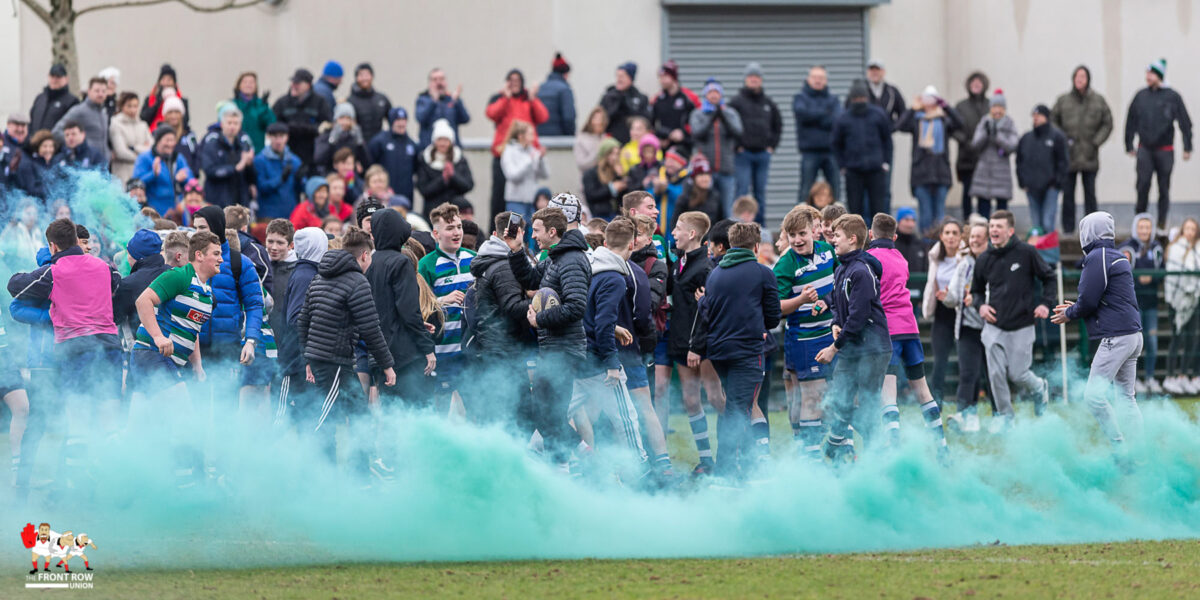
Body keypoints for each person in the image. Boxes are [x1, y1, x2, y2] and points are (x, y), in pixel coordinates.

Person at [8, 219, 122, 491]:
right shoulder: (105, 267)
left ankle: (76, 488)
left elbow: (15, 286)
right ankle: (121, 475)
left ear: (53, 245)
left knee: (79, 418)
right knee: (109, 420)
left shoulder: (54, 272)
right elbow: (117, 286)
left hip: (76, 347)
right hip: (110, 346)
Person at [297, 227, 395, 474]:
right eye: (370, 257)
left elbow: (303, 321)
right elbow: (371, 328)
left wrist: (307, 355)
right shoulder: (357, 281)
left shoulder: (319, 277)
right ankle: (319, 477)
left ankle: (360, 475)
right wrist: (387, 365)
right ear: (364, 256)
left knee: (360, 414)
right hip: (333, 363)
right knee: (324, 421)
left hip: (332, 362)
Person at [504, 206, 591, 472]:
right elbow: (531, 279)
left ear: (553, 232)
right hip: (553, 348)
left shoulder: (572, 259)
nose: (534, 238)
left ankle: (574, 459)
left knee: (545, 411)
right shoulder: (555, 257)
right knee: (544, 411)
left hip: (564, 350)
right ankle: (571, 459)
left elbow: (577, 307)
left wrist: (539, 320)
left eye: (538, 231)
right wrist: (517, 250)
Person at [1051, 212, 1143, 457]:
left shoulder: (1097, 256)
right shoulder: (1113, 255)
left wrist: (1070, 313)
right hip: (1133, 335)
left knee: (1093, 396)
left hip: (1118, 337)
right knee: (1126, 398)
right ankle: (1141, 451)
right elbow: (1104, 299)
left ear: (1088, 232)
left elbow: (1090, 301)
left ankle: (1119, 448)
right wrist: (1077, 306)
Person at [573, 218, 652, 478]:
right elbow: (604, 322)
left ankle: (534, 453)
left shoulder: (589, 267)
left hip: (578, 358)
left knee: (555, 415)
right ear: (633, 244)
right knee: (626, 420)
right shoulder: (615, 278)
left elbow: (585, 314)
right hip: (598, 363)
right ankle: (641, 475)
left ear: (605, 242)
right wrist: (612, 364)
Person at [702, 222, 781, 477]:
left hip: (718, 353)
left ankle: (743, 466)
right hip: (747, 352)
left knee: (734, 407)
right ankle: (726, 472)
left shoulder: (715, 274)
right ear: (756, 246)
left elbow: (706, 312)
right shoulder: (763, 273)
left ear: (730, 244)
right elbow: (773, 319)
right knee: (738, 411)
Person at [867, 214, 949, 459]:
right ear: (894, 237)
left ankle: (894, 450)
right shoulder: (901, 258)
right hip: (910, 329)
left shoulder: (869, 259)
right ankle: (942, 447)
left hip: (887, 332)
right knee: (923, 391)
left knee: (888, 394)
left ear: (871, 235)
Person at [812, 214, 891, 462]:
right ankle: (841, 444)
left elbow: (858, 316)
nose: (832, 240)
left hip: (873, 348)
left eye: (837, 236)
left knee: (867, 406)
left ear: (853, 239)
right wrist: (836, 323)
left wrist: (834, 347)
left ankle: (877, 458)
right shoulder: (842, 269)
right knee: (839, 399)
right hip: (851, 345)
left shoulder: (861, 271)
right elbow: (838, 304)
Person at [970, 210, 1054, 431]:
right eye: (992, 227)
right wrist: (981, 306)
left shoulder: (1027, 253)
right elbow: (976, 291)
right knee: (996, 374)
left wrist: (1045, 303)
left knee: (1018, 374)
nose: (994, 230)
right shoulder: (984, 259)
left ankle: (1039, 388)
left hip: (1022, 324)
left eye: (999, 227)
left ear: (1010, 230)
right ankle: (1006, 417)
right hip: (993, 326)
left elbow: (1049, 277)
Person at [191, 206, 269, 416]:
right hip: (193, 346)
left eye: (202, 228)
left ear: (217, 228)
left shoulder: (239, 262)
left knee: (225, 411)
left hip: (227, 347)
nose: (197, 233)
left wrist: (251, 340)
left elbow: (255, 305)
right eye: (195, 228)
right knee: (194, 411)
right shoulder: (190, 262)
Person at [773, 205, 836, 460]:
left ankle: (834, 450)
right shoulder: (785, 264)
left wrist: (828, 300)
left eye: (802, 233)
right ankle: (809, 459)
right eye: (792, 235)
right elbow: (775, 308)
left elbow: (842, 280)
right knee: (811, 397)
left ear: (814, 231)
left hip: (832, 335)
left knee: (835, 397)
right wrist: (800, 300)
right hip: (803, 339)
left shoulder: (828, 251)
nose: (797, 240)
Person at [464, 211, 536, 424]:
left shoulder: (490, 259)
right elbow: (512, 306)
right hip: (504, 351)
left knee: (501, 415)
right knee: (516, 417)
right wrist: (541, 302)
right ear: (520, 233)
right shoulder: (505, 265)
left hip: (495, 348)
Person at [667, 211, 718, 474]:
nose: (673, 233)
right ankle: (706, 460)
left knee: (716, 398)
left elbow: (706, 313)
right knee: (690, 400)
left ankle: (737, 451)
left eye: (677, 229)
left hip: (701, 347)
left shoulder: (706, 267)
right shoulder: (678, 263)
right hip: (680, 343)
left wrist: (696, 346)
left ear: (692, 234)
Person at [417, 204, 475, 411]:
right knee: (440, 409)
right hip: (442, 352)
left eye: (459, 227)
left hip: (469, 351)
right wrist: (443, 300)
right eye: (450, 228)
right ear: (436, 233)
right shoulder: (425, 265)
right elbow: (418, 307)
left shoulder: (473, 259)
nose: (457, 232)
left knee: (476, 409)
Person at [1125, 58, 1193, 230]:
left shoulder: (1173, 96)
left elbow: (1185, 122)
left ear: (1159, 75)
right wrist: (1129, 143)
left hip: (1165, 151)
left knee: (1164, 188)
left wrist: (1187, 146)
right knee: (1142, 186)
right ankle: (1139, 222)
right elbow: (1131, 119)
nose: (1148, 76)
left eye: (1152, 73)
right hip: (1145, 150)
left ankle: (1162, 224)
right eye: (1147, 73)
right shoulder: (1141, 96)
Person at [1051, 65, 1113, 233]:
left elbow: (1108, 123)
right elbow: (1053, 121)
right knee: (1068, 195)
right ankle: (1068, 230)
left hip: (1089, 155)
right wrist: (1062, 140)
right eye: (1077, 76)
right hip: (1068, 156)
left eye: (1083, 76)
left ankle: (1092, 231)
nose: (1080, 79)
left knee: (1090, 195)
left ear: (1088, 79)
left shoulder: (1098, 100)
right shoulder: (1063, 100)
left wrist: (1096, 142)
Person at [942, 220, 990, 432]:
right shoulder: (964, 265)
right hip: (967, 328)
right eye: (972, 237)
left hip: (993, 328)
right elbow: (954, 296)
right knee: (968, 373)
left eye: (980, 237)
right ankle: (965, 416)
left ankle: (1002, 416)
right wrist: (947, 298)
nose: (975, 241)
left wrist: (980, 300)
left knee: (992, 375)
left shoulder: (994, 262)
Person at [898, 86, 963, 232]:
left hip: (941, 173)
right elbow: (900, 125)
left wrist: (946, 106)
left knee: (939, 213)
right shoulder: (916, 119)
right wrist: (912, 109)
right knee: (926, 214)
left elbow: (960, 123)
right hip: (921, 174)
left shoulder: (944, 120)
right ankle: (926, 247)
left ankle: (940, 244)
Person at [486, 69, 549, 221]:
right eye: (511, 81)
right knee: (499, 196)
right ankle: (497, 228)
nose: (514, 85)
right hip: (505, 153)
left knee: (528, 198)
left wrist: (533, 98)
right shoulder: (500, 98)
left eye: (517, 81)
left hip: (526, 151)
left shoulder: (528, 100)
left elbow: (543, 116)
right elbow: (491, 113)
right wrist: (505, 99)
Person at [833, 79, 893, 223]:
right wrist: (842, 166)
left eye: (862, 98)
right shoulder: (843, 118)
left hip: (876, 170)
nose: (859, 101)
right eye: (856, 98)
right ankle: (857, 241)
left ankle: (879, 241)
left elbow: (887, 141)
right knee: (855, 211)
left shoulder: (878, 115)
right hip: (853, 171)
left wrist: (885, 162)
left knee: (878, 210)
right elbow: (835, 144)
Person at [729, 62, 783, 221]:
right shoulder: (736, 102)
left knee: (760, 194)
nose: (754, 80)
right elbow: (729, 125)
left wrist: (772, 146)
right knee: (742, 192)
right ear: (746, 79)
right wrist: (737, 146)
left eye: (757, 77)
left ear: (761, 80)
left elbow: (778, 125)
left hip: (762, 155)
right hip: (743, 154)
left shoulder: (768, 103)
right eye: (751, 77)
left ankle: (760, 229)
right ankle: (737, 228)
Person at [1119, 213, 1165, 394]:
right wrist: (1138, 280)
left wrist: (1152, 278)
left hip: (1151, 304)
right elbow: (1121, 271)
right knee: (1134, 344)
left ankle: (1150, 378)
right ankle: (1134, 380)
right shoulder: (1126, 247)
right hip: (1133, 305)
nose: (1145, 231)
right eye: (1141, 227)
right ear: (1135, 228)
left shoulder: (1157, 248)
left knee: (1151, 342)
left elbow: (1162, 271)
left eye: (1147, 227)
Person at [921, 217, 963, 404]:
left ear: (961, 236)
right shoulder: (935, 257)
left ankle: (968, 407)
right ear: (941, 236)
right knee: (939, 363)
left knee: (967, 362)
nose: (951, 237)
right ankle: (936, 407)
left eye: (955, 233)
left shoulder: (967, 257)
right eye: (947, 233)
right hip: (942, 314)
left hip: (963, 313)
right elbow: (931, 284)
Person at [689, 79, 743, 219]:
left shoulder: (730, 113)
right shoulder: (698, 113)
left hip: (727, 169)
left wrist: (723, 118)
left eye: (716, 92)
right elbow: (697, 133)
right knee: (707, 211)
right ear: (705, 95)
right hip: (706, 172)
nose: (714, 95)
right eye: (710, 93)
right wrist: (712, 118)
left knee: (727, 210)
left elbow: (738, 132)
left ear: (721, 95)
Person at [1016, 105, 1070, 234]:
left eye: (1039, 115)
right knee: (1036, 226)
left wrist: (1057, 183)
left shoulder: (1057, 137)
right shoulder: (1026, 138)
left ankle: (1049, 253)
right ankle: (1037, 253)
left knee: (1047, 223)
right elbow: (1019, 161)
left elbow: (1063, 162)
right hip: (1032, 187)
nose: (1036, 118)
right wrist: (1022, 182)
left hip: (1051, 187)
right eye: (1034, 116)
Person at [793, 66, 841, 203]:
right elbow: (802, 115)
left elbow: (837, 119)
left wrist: (813, 117)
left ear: (826, 80)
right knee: (805, 190)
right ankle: (800, 220)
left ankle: (837, 220)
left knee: (835, 190)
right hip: (809, 152)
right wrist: (825, 114)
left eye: (821, 78)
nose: (817, 80)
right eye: (815, 77)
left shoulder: (833, 99)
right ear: (808, 79)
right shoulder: (800, 98)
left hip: (830, 151)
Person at [1163, 217, 1200, 395]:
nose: (1190, 232)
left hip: (1195, 300)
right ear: (1182, 230)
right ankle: (1170, 376)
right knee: (1176, 339)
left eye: (1193, 229)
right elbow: (1173, 276)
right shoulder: (1175, 249)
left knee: (1192, 339)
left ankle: (1184, 375)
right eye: (1187, 228)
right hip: (1177, 301)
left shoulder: (1198, 250)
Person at [273, 68, 333, 174]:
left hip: (311, 157)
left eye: (298, 83)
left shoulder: (320, 102)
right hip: (287, 155)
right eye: (293, 82)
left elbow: (326, 126)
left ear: (308, 85)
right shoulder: (282, 102)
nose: (294, 85)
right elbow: (274, 125)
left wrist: (297, 128)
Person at [112, 229, 170, 338]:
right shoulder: (174, 273)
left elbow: (114, 317)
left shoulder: (128, 284)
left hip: (143, 345)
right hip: (175, 344)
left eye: (128, 253)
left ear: (135, 256)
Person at [199, 104, 255, 208]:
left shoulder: (244, 145)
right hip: (217, 200)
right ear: (222, 124)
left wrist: (249, 164)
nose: (232, 126)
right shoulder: (212, 144)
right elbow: (210, 170)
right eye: (229, 123)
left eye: (235, 123)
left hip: (239, 202)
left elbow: (250, 177)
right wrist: (235, 168)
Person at [416, 119, 473, 220]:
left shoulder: (459, 159)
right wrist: (442, 179)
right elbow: (423, 189)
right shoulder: (425, 159)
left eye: (446, 140)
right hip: (432, 211)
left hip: (455, 210)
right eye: (440, 140)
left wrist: (453, 176)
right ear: (434, 141)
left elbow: (469, 185)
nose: (443, 144)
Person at [953, 71, 991, 219]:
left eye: (979, 83)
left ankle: (984, 223)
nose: (976, 86)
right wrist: (965, 142)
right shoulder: (961, 106)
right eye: (973, 83)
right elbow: (954, 129)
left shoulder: (989, 105)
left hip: (985, 157)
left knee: (984, 194)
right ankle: (967, 220)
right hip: (966, 157)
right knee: (967, 191)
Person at [500, 120, 549, 229]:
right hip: (515, 201)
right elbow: (512, 175)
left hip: (531, 202)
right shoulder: (509, 151)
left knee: (532, 235)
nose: (533, 137)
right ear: (521, 136)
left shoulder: (532, 151)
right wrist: (529, 161)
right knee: (515, 231)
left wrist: (541, 159)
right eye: (530, 134)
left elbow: (545, 175)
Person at [366, 107, 418, 203]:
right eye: (398, 120)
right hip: (384, 196)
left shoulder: (412, 144)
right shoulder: (379, 141)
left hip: (406, 195)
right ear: (391, 121)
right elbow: (370, 165)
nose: (401, 123)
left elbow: (415, 168)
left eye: (404, 120)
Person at [254, 122, 303, 220]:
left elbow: (300, 190)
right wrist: (280, 179)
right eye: (275, 137)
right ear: (268, 137)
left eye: (281, 136)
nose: (278, 140)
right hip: (268, 214)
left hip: (291, 213)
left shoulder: (295, 161)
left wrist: (301, 180)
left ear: (287, 137)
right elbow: (262, 187)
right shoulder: (260, 160)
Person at [650, 60, 699, 153]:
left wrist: (683, 134)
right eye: (660, 77)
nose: (662, 80)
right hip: (664, 148)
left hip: (684, 147)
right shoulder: (657, 99)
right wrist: (658, 139)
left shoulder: (688, 97)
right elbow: (651, 124)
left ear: (673, 77)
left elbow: (697, 122)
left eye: (665, 77)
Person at [415, 68, 469, 148]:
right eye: (435, 79)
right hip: (429, 148)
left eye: (441, 79)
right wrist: (433, 101)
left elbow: (465, 119)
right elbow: (420, 118)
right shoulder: (423, 99)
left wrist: (457, 102)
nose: (438, 82)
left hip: (451, 149)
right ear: (430, 83)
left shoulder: (452, 99)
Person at [600, 62, 651, 144]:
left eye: (622, 76)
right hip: (612, 143)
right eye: (618, 76)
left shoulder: (640, 98)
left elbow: (646, 120)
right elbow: (601, 117)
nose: (619, 79)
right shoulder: (609, 96)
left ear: (630, 78)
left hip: (633, 144)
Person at [109, 91, 153, 184]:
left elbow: (151, 148)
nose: (133, 110)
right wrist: (143, 155)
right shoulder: (116, 124)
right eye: (129, 106)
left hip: (142, 173)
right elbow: (121, 152)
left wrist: (134, 148)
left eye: (135, 106)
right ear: (122, 106)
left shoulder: (143, 125)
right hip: (123, 173)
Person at [314, 103, 368, 175]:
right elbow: (319, 159)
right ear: (335, 120)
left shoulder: (354, 137)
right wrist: (332, 141)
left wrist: (360, 143)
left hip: (350, 178)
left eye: (348, 118)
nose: (344, 122)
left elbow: (367, 162)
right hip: (331, 176)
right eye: (341, 118)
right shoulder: (325, 136)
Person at [232, 72, 277, 152]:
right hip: (236, 150)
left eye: (251, 82)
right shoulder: (232, 104)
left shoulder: (261, 105)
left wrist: (264, 108)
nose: (248, 85)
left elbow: (272, 124)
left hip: (257, 150)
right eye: (245, 82)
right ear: (239, 85)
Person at [583, 136, 626, 220]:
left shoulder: (617, 171)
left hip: (617, 215)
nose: (614, 157)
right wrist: (611, 188)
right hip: (600, 216)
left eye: (617, 154)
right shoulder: (591, 173)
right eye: (611, 153)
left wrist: (620, 176)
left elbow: (624, 197)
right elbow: (591, 195)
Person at [29, 64, 79, 134]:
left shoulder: (72, 101)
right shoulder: (40, 98)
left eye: (58, 77)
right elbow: (32, 121)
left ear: (66, 79)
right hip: (36, 142)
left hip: (57, 143)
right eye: (52, 76)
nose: (55, 80)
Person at [672, 159, 723, 228]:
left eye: (707, 175)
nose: (705, 178)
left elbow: (720, 221)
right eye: (701, 175)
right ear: (694, 178)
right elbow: (675, 223)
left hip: (710, 237)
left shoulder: (715, 196)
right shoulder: (685, 197)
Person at [346, 63, 392, 136]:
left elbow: (393, 120)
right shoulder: (350, 101)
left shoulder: (381, 99)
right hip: (358, 144)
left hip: (377, 143)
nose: (364, 78)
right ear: (356, 77)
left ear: (372, 76)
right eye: (361, 75)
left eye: (367, 75)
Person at [535, 53, 576, 137]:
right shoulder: (564, 90)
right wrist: (570, 136)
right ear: (565, 74)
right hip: (558, 138)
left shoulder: (540, 88)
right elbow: (569, 118)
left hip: (539, 137)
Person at [140, 64, 189, 132]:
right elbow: (144, 119)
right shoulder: (150, 99)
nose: (166, 83)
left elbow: (185, 121)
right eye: (163, 79)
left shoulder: (182, 101)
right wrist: (158, 102)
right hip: (153, 132)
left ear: (174, 83)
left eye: (169, 80)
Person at [12, 130, 57, 199]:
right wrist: (52, 189)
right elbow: (31, 189)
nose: (48, 150)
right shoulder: (29, 164)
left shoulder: (54, 164)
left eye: (51, 146)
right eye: (44, 146)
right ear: (38, 147)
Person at [861, 59, 905, 124]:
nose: (874, 73)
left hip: (886, 133)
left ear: (883, 72)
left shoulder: (892, 91)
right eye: (872, 70)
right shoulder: (860, 91)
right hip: (865, 132)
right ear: (867, 72)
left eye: (877, 70)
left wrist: (893, 127)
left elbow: (903, 113)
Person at [574, 107, 609, 177]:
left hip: (605, 179)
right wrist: (598, 151)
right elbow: (581, 164)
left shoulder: (606, 138)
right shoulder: (581, 139)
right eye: (595, 118)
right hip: (589, 179)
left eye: (601, 119)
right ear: (590, 120)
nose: (598, 122)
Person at [894, 207, 929, 273]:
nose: (910, 224)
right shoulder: (891, 245)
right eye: (906, 220)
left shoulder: (921, 245)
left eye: (913, 220)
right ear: (898, 222)